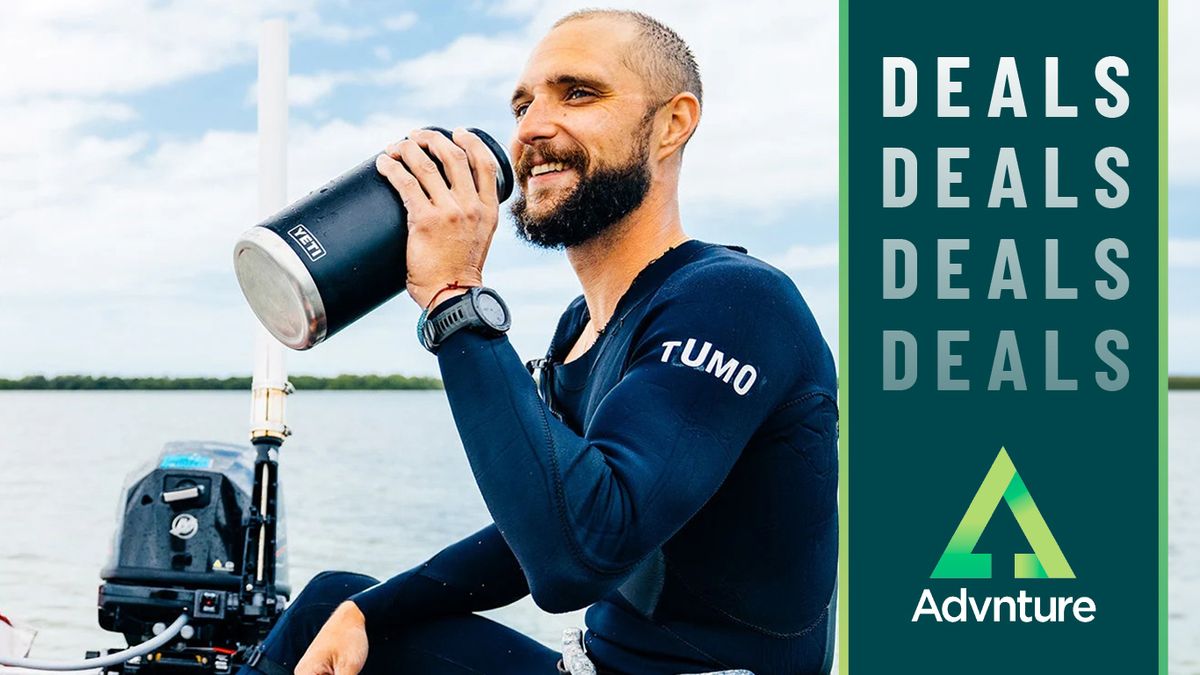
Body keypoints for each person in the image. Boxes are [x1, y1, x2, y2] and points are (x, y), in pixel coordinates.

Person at [239, 9, 838, 675]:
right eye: (523, 104)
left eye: (578, 93)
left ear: (673, 124)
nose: (531, 128)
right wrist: (369, 610)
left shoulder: (737, 304)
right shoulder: (578, 329)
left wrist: (452, 298)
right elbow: (541, 521)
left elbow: (574, 557)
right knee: (334, 604)